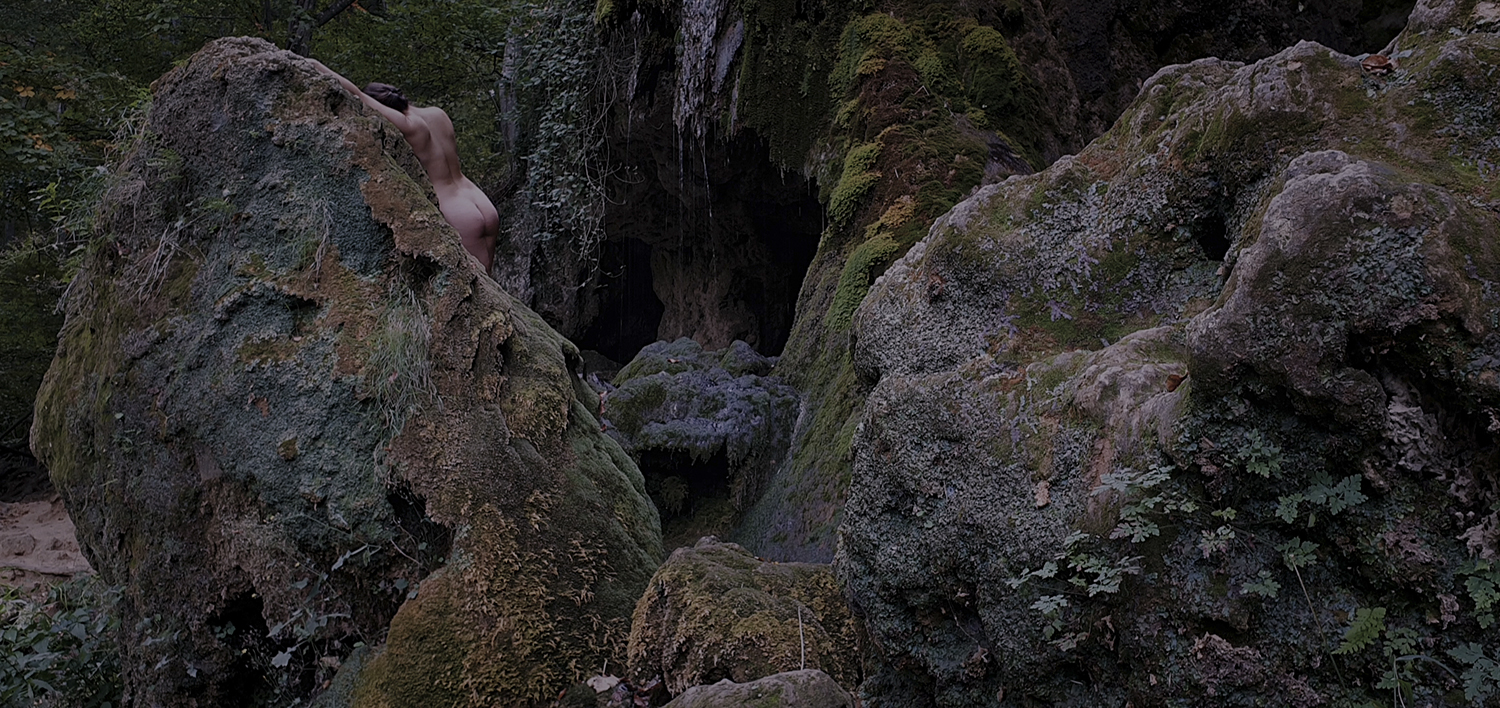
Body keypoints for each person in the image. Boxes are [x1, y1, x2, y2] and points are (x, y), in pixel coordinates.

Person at [307, 59, 498, 272]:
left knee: (473, 280)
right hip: (478, 198)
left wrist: (315, 65)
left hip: (456, 210)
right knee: (489, 279)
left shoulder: (409, 126)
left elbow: (358, 95)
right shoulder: (437, 114)